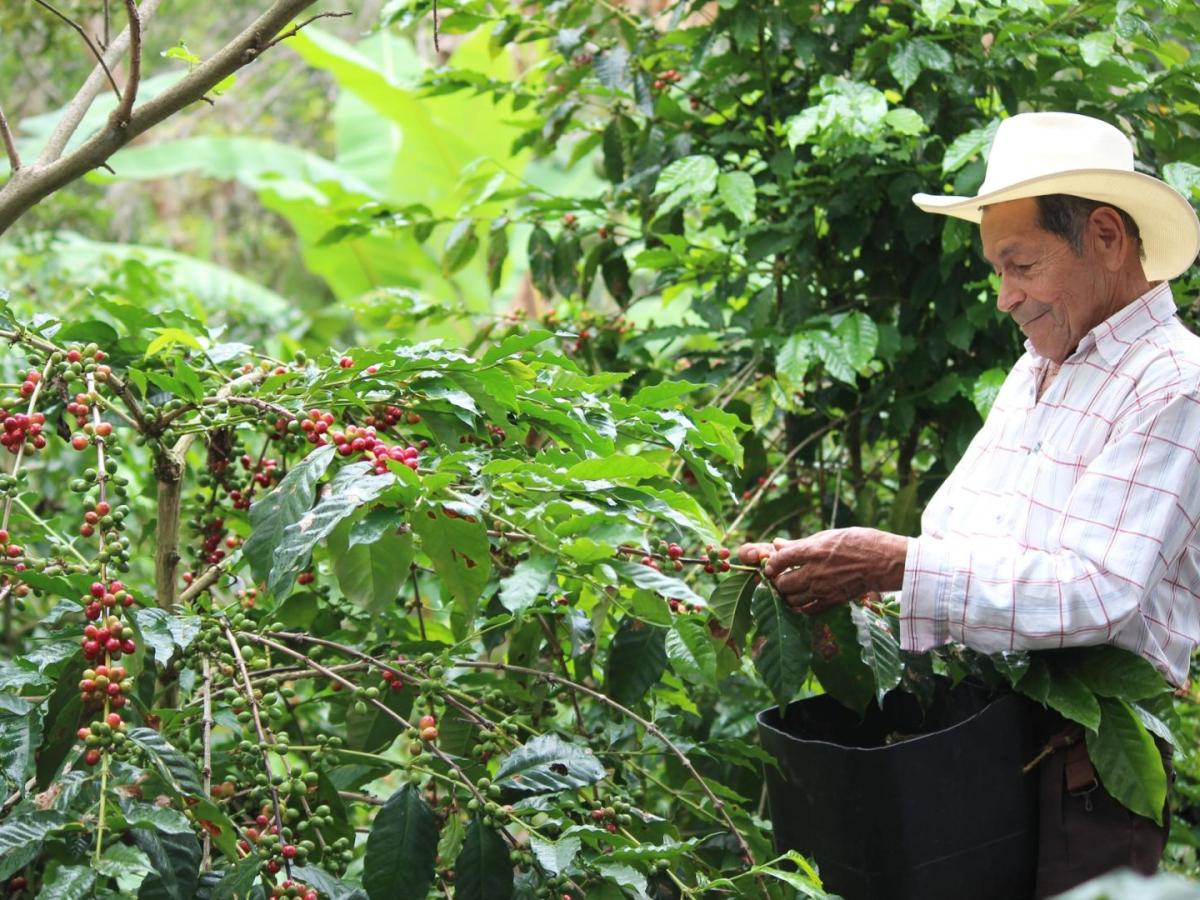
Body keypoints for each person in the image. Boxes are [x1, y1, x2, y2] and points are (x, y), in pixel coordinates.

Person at [738, 111, 1200, 896]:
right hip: (970, 753)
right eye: (997, 269)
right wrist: (849, 587)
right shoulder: (1038, 369)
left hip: (1076, 779)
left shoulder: (1175, 382)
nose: (1003, 296)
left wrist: (892, 567)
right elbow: (954, 533)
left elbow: (1102, 591)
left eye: (1019, 265)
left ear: (1106, 237)